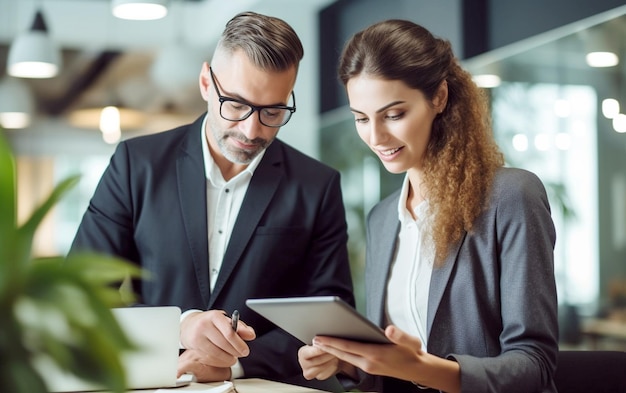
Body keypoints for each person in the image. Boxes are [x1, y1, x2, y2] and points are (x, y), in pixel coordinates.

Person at [70, 11, 354, 389]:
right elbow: (81, 294)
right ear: (206, 82)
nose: (251, 131)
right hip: (157, 381)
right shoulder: (136, 165)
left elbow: (330, 318)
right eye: (235, 105)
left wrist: (233, 366)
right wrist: (180, 327)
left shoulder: (317, 185)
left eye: (272, 111)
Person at [298, 19, 558, 393]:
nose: (375, 137)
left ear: (439, 97)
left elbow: (535, 366)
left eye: (393, 114)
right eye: (361, 118)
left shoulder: (511, 197)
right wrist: (348, 361)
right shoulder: (384, 218)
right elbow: (390, 367)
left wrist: (422, 368)